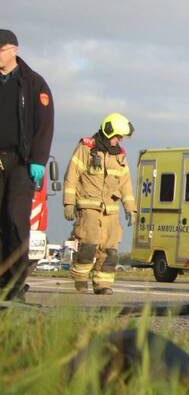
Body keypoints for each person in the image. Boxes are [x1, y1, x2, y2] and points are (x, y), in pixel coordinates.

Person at [0, 29, 54, 300]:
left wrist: (39, 160)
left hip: (21, 163)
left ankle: (15, 284)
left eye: (0, 50)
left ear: (14, 50)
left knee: (14, 219)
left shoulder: (33, 83)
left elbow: (44, 125)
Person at [64, 113, 136, 294]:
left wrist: (131, 209)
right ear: (108, 130)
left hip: (111, 210)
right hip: (89, 206)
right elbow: (72, 176)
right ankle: (80, 279)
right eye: (118, 136)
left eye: (122, 137)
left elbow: (125, 184)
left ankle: (103, 284)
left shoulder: (120, 156)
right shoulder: (86, 148)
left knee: (110, 250)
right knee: (88, 245)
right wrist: (68, 203)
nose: (119, 140)